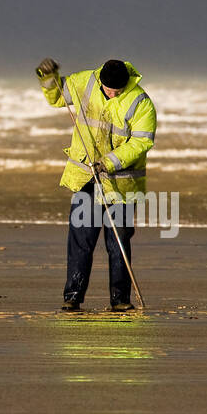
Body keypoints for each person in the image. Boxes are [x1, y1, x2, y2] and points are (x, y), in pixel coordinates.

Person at [35, 58, 156, 312]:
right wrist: (48, 76)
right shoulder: (85, 82)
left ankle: (120, 300)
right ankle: (73, 296)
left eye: (118, 90)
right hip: (86, 179)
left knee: (118, 243)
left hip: (122, 185)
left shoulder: (141, 103)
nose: (113, 93)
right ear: (101, 81)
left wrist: (108, 163)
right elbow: (56, 97)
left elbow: (141, 143)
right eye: (109, 89)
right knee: (81, 240)